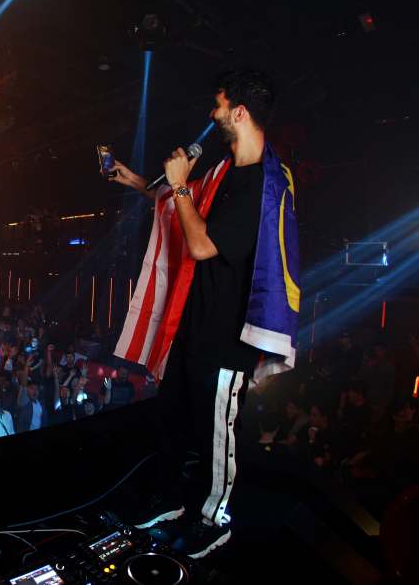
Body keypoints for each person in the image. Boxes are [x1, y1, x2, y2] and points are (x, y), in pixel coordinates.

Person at [110, 70, 299, 558]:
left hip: (227, 337)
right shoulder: (225, 170)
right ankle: (172, 500)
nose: (212, 115)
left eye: (218, 106)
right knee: (173, 416)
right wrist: (133, 179)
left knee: (217, 435)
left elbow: (199, 243)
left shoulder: (261, 183)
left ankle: (215, 519)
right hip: (195, 325)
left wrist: (181, 188)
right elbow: (176, 207)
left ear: (239, 111)